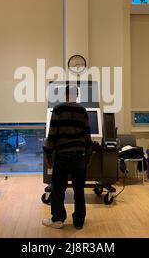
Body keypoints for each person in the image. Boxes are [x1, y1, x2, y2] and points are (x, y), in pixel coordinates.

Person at [42, 84, 92, 230]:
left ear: (65, 95)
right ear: (76, 95)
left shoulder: (58, 109)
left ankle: (58, 219)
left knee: (58, 189)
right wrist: (88, 154)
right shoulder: (83, 111)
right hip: (79, 155)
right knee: (79, 189)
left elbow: (52, 134)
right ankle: (79, 221)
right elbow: (87, 134)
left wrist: (48, 152)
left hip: (62, 155)